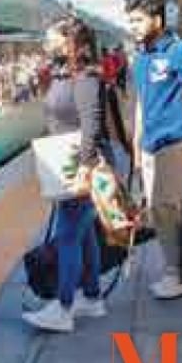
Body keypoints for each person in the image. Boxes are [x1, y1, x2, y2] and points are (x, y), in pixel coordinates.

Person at [22, 18, 109, 332]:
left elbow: (91, 123)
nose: (47, 39)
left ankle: (63, 307)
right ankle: (92, 297)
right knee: (84, 235)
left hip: (78, 166)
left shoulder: (85, 77)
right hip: (63, 162)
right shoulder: (62, 73)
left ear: (70, 40)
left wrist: (85, 168)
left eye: (52, 35)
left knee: (67, 235)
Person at [127, 0, 182, 300]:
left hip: (175, 141)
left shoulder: (180, 51)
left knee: (165, 206)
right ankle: (178, 265)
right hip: (150, 145)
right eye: (131, 21)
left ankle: (176, 273)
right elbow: (141, 106)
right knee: (161, 209)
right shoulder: (140, 57)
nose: (133, 26)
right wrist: (136, 147)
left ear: (158, 20)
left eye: (138, 20)